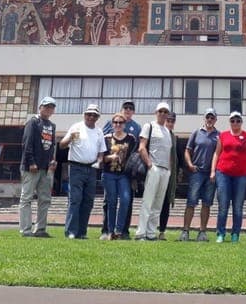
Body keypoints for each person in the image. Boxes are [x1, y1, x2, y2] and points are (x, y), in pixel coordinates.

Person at [59, 104, 106, 239]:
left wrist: (99, 161)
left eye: (94, 115)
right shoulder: (76, 127)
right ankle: (71, 231)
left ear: (97, 117)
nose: (91, 117)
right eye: (89, 114)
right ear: (84, 115)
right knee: (75, 199)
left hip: (91, 169)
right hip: (76, 167)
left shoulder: (99, 132)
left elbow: (101, 152)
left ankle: (82, 232)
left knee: (88, 200)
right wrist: (70, 138)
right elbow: (62, 145)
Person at [210, 111, 246, 243]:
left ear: (241, 122)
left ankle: (235, 234)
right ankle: (221, 233)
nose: (235, 123)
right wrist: (213, 171)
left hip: (241, 175)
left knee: (238, 206)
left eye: (238, 120)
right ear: (229, 122)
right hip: (223, 173)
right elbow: (216, 154)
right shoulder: (223, 135)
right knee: (223, 205)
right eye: (233, 120)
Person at [100, 100, 141, 239]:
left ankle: (120, 230)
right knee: (110, 202)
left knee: (125, 200)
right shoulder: (106, 137)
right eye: (116, 122)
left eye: (120, 123)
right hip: (109, 173)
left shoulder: (132, 137)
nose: (118, 124)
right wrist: (110, 157)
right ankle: (109, 231)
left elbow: (136, 154)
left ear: (125, 124)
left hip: (124, 175)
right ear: (112, 124)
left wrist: (135, 173)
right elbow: (101, 156)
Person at [134, 101, 174, 241]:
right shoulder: (149, 126)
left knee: (158, 203)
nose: (162, 114)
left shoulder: (168, 132)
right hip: (154, 168)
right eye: (160, 111)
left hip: (165, 170)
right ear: (156, 112)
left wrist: (168, 169)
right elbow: (141, 147)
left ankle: (151, 233)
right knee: (148, 201)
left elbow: (168, 152)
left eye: (165, 112)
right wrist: (150, 165)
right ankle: (140, 233)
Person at [19, 97, 57, 237]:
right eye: (46, 106)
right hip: (32, 167)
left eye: (51, 107)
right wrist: (31, 162)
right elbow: (27, 144)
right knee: (26, 197)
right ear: (40, 107)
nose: (48, 109)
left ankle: (40, 229)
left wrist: (52, 160)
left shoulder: (52, 125)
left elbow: (51, 146)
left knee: (45, 198)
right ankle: (26, 229)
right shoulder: (33, 122)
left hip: (45, 168)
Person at [180, 107, 219, 242]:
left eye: (212, 117)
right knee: (191, 202)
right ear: (204, 118)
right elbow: (187, 151)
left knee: (207, 204)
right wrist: (190, 164)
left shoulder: (219, 136)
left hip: (210, 174)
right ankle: (185, 231)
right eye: (208, 117)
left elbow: (219, 154)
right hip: (196, 172)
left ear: (215, 120)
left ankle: (202, 232)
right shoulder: (196, 132)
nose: (209, 120)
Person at [158, 112, 179, 240]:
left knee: (165, 203)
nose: (170, 123)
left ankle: (162, 231)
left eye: (172, 121)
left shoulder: (173, 137)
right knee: (156, 202)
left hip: (169, 175)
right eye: (168, 121)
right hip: (158, 171)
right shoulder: (158, 134)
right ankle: (149, 230)